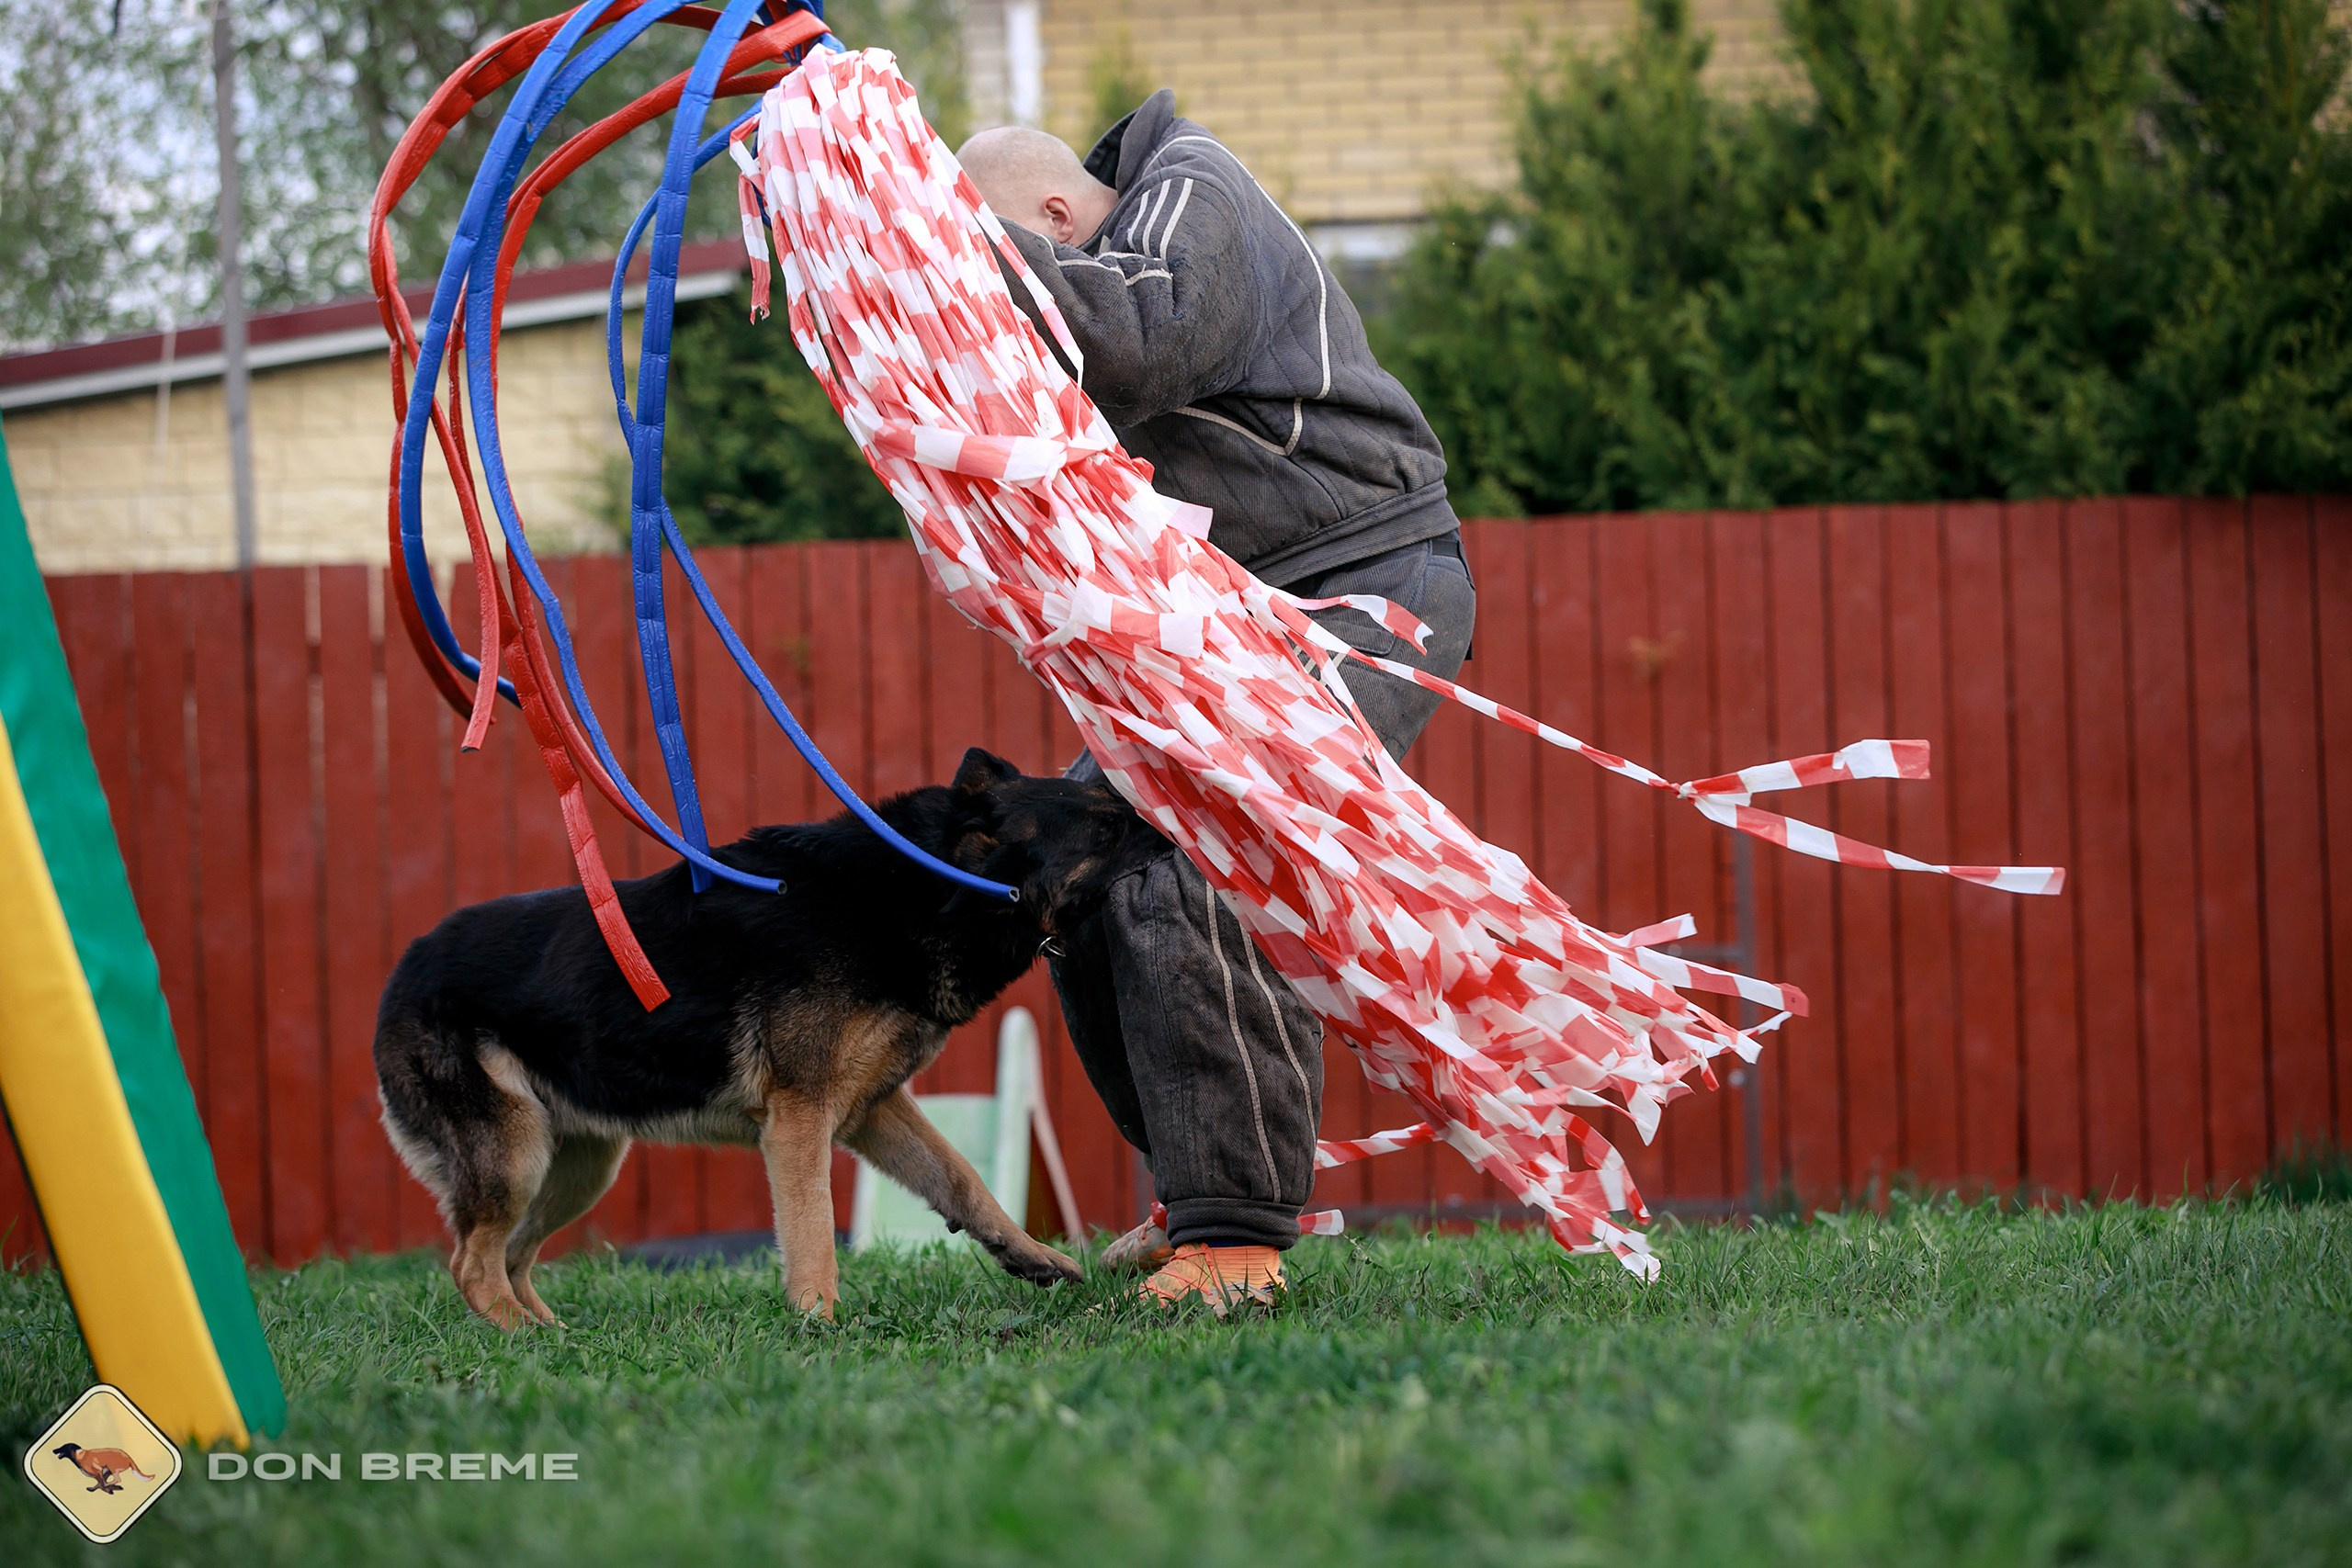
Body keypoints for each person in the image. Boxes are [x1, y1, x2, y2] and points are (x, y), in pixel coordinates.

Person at [958, 93, 1476, 1312]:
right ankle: (1202, 1194)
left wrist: (938, 242)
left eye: (1019, 255)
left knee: (1209, 849)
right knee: (1076, 864)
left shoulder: (1191, 189)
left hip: (1365, 587)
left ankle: (1237, 1242)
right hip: (1228, 617)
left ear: (1050, 217)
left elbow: (1150, 338)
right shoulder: (1106, 249)